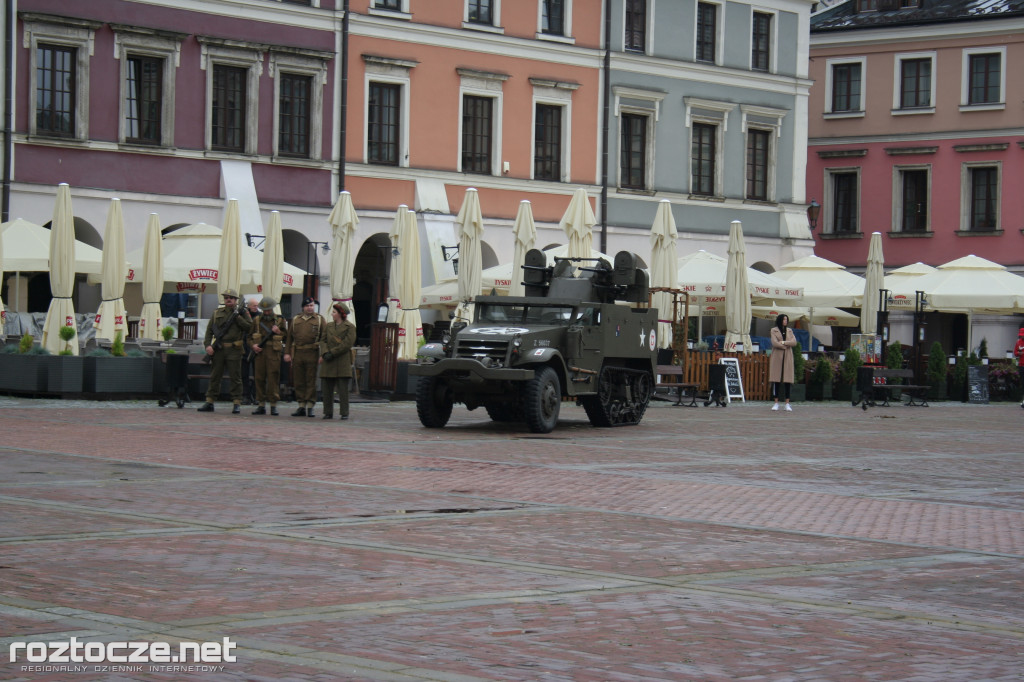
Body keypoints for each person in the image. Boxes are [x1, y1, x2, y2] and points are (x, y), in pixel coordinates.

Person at [197, 289, 253, 414]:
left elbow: (250, 327)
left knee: (235, 377)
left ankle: (236, 402)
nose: (228, 299)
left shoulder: (242, 313)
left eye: (231, 298)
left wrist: (238, 317)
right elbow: (209, 331)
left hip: (234, 348)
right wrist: (208, 345)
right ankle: (210, 401)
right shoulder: (217, 313)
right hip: (219, 349)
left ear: (236, 300)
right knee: (215, 376)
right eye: (226, 297)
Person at [285, 296, 325, 417]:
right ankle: (301, 405)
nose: (310, 308)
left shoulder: (319, 319)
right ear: (303, 307)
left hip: (312, 353)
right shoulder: (296, 319)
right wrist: (287, 353)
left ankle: (310, 405)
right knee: (299, 380)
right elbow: (289, 338)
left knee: (311, 380)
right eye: (307, 306)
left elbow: (324, 338)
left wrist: (322, 354)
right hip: (298, 353)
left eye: (311, 305)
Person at [249, 297, 288, 416]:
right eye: (264, 310)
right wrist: (253, 345)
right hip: (260, 353)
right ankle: (261, 403)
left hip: (273, 353)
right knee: (259, 378)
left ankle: (273, 404)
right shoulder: (256, 320)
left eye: (268, 310)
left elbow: (287, 336)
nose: (266, 312)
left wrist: (278, 332)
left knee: (273, 378)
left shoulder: (280, 320)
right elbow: (249, 337)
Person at [319, 302, 357, 420]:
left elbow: (347, 344)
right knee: (327, 389)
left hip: (342, 360)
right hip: (328, 360)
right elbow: (322, 340)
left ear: (340, 314)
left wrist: (332, 352)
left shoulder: (350, 327)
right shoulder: (329, 326)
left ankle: (344, 412)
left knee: (343, 390)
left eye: (334, 312)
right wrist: (325, 352)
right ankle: (327, 412)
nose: (332, 314)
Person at [769, 313, 797, 412]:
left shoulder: (790, 330)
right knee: (776, 379)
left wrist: (784, 343)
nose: (786, 321)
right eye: (784, 319)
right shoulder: (774, 330)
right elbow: (774, 343)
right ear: (780, 320)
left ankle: (787, 403)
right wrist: (784, 345)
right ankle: (776, 402)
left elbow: (794, 342)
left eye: (787, 319)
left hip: (788, 356)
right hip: (777, 356)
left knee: (787, 380)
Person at [240, 297, 261, 405]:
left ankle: (257, 396)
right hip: (244, 348)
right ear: (248, 306)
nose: (256, 307)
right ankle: (246, 396)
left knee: (258, 374)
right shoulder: (242, 315)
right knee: (244, 375)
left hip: (256, 349)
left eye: (257, 305)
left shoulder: (260, 316)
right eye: (254, 305)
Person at [1014, 328, 1024, 409]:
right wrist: (1019, 353)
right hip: (1021, 365)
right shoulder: (1018, 342)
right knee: (1023, 383)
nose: (1022, 337)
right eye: (1021, 335)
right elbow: (1015, 352)